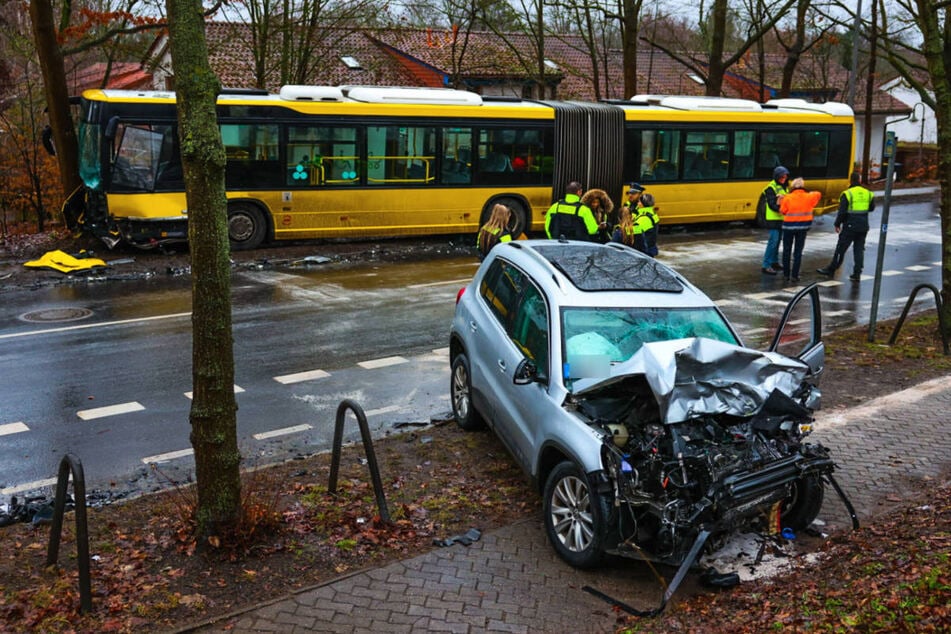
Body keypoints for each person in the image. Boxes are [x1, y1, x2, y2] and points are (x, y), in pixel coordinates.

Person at [817, 173, 875, 281]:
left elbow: (842, 212)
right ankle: (857, 273)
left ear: (850, 180)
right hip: (863, 226)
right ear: (860, 180)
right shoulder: (868, 193)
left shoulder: (847, 194)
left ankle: (832, 269)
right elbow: (871, 208)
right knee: (859, 250)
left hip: (850, 226)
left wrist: (837, 224)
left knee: (841, 249)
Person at [779, 177, 822, 282]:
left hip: (788, 227)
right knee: (798, 251)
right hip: (803, 228)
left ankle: (786, 274)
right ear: (803, 186)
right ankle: (795, 275)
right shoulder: (809, 197)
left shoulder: (788, 198)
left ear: (792, 186)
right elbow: (818, 194)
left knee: (786, 250)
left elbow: (782, 211)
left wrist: (783, 198)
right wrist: (808, 192)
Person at [760, 166, 790, 275]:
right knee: (773, 241)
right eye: (782, 176)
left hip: (781, 218)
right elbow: (772, 204)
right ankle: (766, 265)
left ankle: (774, 262)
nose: (784, 178)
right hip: (773, 219)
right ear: (777, 176)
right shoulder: (770, 188)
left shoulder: (784, 187)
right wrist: (782, 209)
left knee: (777, 241)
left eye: (785, 176)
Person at [612, 192, 659, 256]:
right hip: (649, 248)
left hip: (645, 251)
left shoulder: (644, 218)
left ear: (643, 204)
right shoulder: (651, 213)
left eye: (639, 202)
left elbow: (632, 231)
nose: (638, 203)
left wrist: (618, 228)